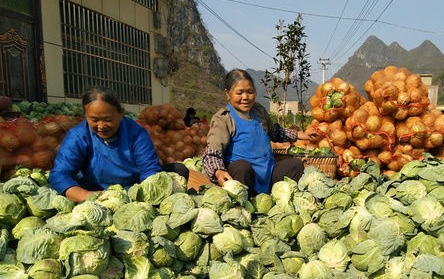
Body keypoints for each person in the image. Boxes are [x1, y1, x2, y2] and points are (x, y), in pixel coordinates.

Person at [49, 85, 189, 202]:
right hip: (97, 190)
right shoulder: (78, 136)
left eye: (108, 119)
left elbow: (150, 171)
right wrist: (88, 196)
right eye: (94, 120)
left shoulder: (135, 132)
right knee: (66, 187)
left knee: (179, 170)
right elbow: (60, 173)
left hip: (135, 189)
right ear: (85, 116)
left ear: (120, 112)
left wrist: (139, 196)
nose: (101, 126)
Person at [203, 69, 317, 197]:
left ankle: (284, 200)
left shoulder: (259, 111)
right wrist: (218, 171)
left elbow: (274, 132)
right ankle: (243, 204)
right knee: (242, 167)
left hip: (267, 172)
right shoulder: (223, 119)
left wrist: (299, 135)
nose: (245, 97)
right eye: (239, 93)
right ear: (227, 93)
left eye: (250, 92)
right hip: (243, 177)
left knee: (295, 165)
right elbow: (212, 152)